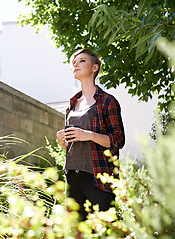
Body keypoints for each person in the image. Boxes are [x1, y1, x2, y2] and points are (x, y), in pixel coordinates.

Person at [56, 48, 125, 221]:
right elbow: (73, 144)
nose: (76, 65)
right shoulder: (71, 105)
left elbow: (118, 140)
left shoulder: (107, 101)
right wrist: (63, 143)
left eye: (82, 61)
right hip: (72, 176)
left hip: (98, 178)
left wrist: (87, 134)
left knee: (103, 230)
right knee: (76, 231)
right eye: (74, 62)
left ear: (94, 68)